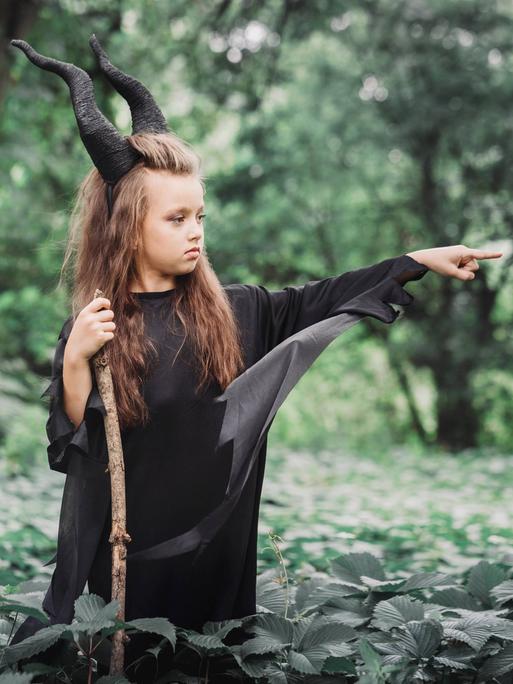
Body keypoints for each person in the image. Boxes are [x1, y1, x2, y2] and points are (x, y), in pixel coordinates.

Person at [8, 36, 502, 669]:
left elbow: (322, 298)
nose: (196, 232)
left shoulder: (236, 311)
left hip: (217, 571)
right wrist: (76, 359)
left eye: (199, 216)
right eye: (176, 219)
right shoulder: (97, 328)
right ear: (129, 226)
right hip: (129, 576)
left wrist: (414, 262)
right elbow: (73, 447)